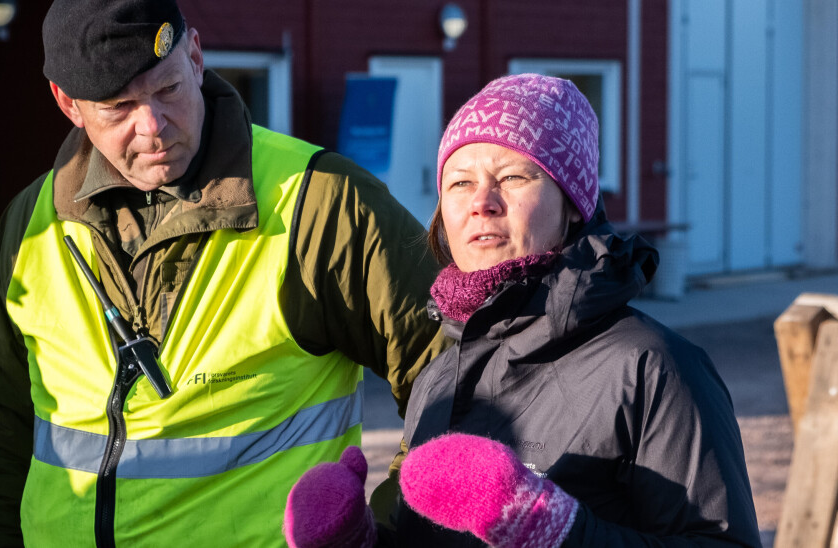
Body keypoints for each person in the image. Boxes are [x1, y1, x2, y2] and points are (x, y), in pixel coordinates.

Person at [0, 1, 448, 546]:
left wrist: (386, 532)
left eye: (167, 90)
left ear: (196, 57)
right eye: (118, 107)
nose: (153, 127)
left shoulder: (322, 204)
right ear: (68, 104)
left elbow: (458, 376)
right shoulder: (30, 225)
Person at [284, 74, 763, 547]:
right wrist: (358, 541)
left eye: (513, 177)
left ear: (574, 203)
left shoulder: (653, 367)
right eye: (459, 182)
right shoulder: (440, 372)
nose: (481, 203)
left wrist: (553, 531)